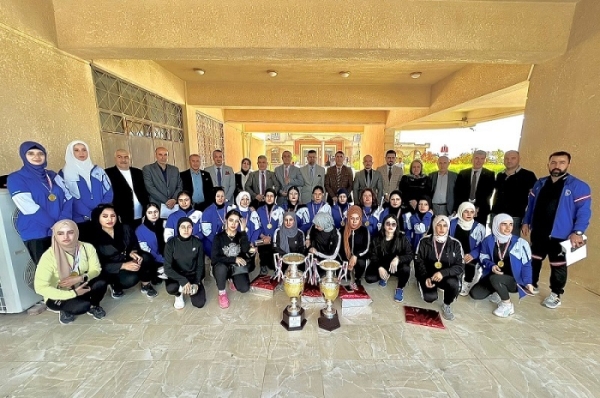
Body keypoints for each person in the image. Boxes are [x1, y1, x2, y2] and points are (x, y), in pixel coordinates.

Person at [522, 151, 591, 308]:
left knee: (558, 265)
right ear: (548, 164)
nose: (557, 166)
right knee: (534, 259)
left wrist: (578, 232)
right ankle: (531, 284)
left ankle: (556, 294)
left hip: (561, 235)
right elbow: (531, 205)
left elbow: (584, 211)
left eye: (561, 162)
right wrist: (526, 222)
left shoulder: (577, 186)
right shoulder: (540, 183)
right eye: (553, 162)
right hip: (539, 231)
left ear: (568, 165)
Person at [8, 141, 72, 264]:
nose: (36, 157)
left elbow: (69, 198)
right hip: (37, 232)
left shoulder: (52, 175)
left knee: (68, 268)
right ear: (23, 156)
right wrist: (54, 226)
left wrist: (63, 222)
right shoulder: (16, 178)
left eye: (40, 153)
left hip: (62, 229)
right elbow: (29, 207)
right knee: (49, 273)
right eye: (31, 153)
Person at [34, 220, 107, 325]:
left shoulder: (87, 248)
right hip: (58, 293)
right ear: (55, 235)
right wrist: (73, 293)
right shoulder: (48, 256)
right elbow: (40, 287)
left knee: (101, 282)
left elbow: (96, 269)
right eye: (60, 233)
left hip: (80, 283)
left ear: (76, 232)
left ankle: (94, 305)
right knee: (82, 306)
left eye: (70, 232)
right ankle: (65, 310)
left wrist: (81, 278)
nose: (66, 237)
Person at [470, 214, 534, 317]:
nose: (508, 228)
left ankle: (507, 305)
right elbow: (483, 257)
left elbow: (527, 265)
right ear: (496, 225)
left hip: (513, 281)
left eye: (511, 224)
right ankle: (497, 291)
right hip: (492, 277)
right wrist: (491, 266)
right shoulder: (488, 240)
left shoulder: (521, 243)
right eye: (504, 224)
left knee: (496, 279)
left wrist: (528, 282)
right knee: (475, 294)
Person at [91, 204, 158, 298]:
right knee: (130, 279)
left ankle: (146, 284)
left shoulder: (125, 228)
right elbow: (99, 265)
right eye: (105, 216)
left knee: (146, 257)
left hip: (127, 258)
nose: (109, 219)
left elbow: (134, 243)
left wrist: (133, 252)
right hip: (112, 268)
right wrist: (123, 266)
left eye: (113, 216)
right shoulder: (93, 238)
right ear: (98, 217)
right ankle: (114, 285)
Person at [414, 215, 464, 321]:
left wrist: (443, 273)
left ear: (448, 227)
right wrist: (425, 277)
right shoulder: (424, 241)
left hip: (445, 276)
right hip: (428, 275)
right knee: (429, 298)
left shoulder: (455, 244)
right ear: (434, 226)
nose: (442, 229)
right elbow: (419, 262)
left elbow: (460, 267)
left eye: (445, 226)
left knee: (454, 283)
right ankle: (421, 284)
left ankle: (446, 304)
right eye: (439, 225)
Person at [61, 140, 113, 241]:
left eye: (84, 150)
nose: (81, 153)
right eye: (76, 150)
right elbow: (70, 198)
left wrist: (100, 212)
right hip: (80, 220)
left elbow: (108, 191)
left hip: (102, 218)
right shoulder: (64, 174)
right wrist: (91, 214)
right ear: (71, 153)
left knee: (105, 248)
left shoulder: (98, 171)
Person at [211, 210, 254, 308]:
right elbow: (214, 258)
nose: (233, 224)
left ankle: (231, 279)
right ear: (226, 221)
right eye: (231, 220)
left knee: (244, 288)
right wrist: (233, 259)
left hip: (236, 268)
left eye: (236, 221)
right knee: (221, 268)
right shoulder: (218, 237)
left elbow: (245, 250)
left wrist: (243, 232)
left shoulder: (240, 235)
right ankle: (222, 293)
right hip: (222, 266)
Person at [164, 217, 206, 310]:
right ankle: (178, 294)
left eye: (189, 227)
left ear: (192, 229)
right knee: (171, 288)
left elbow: (200, 265)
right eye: (183, 227)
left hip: (192, 275)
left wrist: (196, 282)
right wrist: (183, 281)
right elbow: (167, 268)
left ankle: (189, 287)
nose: (186, 230)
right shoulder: (171, 243)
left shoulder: (198, 243)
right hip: (177, 275)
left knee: (199, 303)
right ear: (178, 228)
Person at [491, 150, 537, 235]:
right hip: (496, 215)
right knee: (494, 243)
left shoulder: (528, 175)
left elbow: (533, 199)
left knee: (512, 244)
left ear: (519, 159)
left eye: (513, 158)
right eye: (506, 158)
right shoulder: (500, 175)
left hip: (514, 217)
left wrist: (526, 220)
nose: (509, 160)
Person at [370, 214, 414, 302]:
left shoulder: (402, 238)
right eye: (388, 224)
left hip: (397, 266)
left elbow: (410, 255)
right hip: (384, 264)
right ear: (383, 225)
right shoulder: (377, 239)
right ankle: (386, 274)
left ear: (397, 226)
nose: (390, 226)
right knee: (370, 278)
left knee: (406, 269)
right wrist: (380, 267)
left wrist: (398, 259)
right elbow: (372, 255)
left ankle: (400, 288)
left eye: (393, 224)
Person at [105, 149, 149, 228]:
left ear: (130, 158)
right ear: (115, 158)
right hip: (120, 215)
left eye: (126, 157)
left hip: (139, 213)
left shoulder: (138, 172)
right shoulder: (108, 173)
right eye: (119, 157)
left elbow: (144, 191)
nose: (123, 160)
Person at [450, 202, 486, 296]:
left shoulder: (479, 227)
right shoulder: (452, 223)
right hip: (455, 251)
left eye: (472, 212)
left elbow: (482, 246)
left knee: (470, 264)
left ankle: (467, 282)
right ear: (460, 212)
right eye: (466, 211)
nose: (469, 214)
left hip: (469, 254)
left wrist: (472, 254)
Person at [454, 150, 495, 224]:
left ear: (485, 160)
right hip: (464, 209)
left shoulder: (490, 174)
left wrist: (476, 208)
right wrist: (463, 207)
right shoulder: (463, 173)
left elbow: (488, 193)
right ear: (472, 159)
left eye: (482, 158)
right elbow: (458, 192)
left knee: (478, 232)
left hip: (481, 210)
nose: (479, 161)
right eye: (476, 158)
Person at [142, 147, 182, 216]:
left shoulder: (175, 169)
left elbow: (179, 186)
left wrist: (174, 199)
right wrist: (166, 201)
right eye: (160, 155)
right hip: (157, 206)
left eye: (165, 155)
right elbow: (150, 188)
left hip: (174, 205)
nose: (163, 157)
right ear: (156, 155)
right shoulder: (148, 169)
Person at [253, 188, 284, 275]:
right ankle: (262, 264)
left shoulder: (280, 210)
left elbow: (281, 227)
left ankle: (275, 265)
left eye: (272, 196)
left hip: (275, 238)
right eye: (267, 196)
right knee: (260, 245)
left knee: (272, 264)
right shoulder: (259, 210)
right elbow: (257, 226)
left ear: (275, 198)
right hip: (262, 238)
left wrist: (272, 237)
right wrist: (263, 236)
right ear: (264, 197)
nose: (269, 198)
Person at [340, 205, 371, 289]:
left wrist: (355, 255)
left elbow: (366, 247)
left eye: (357, 219)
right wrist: (346, 260)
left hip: (358, 257)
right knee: (344, 279)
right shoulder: (342, 230)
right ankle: (346, 270)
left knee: (361, 263)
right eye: (352, 218)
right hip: (345, 257)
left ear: (360, 219)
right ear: (348, 218)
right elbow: (340, 248)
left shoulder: (364, 230)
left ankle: (357, 277)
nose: (354, 221)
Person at [200, 187, 235, 257]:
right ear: (214, 197)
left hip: (228, 238)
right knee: (219, 256)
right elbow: (207, 232)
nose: (220, 198)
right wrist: (218, 242)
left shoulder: (229, 208)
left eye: (222, 196)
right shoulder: (208, 211)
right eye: (218, 196)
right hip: (211, 239)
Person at [135, 203, 166, 281]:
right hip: (152, 258)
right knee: (146, 257)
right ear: (145, 214)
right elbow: (145, 249)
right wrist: (160, 258)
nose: (153, 214)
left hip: (166, 256)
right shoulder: (140, 230)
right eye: (150, 212)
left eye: (156, 211)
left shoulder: (165, 224)